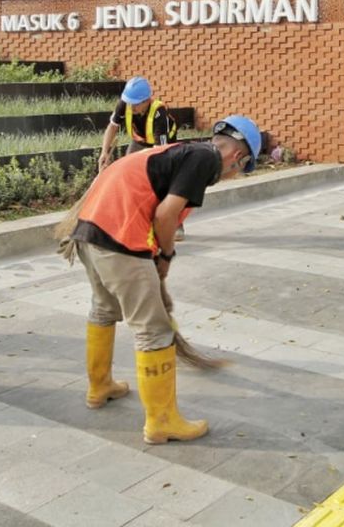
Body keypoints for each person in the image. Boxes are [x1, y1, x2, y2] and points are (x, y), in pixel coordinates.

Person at [69, 116, 260, 444]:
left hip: (89, 231)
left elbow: (150, 202)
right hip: (118, 238)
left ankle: (99, 387)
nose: (232, 176)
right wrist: (166, 257)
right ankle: (162, 421)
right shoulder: (204, 159)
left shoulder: (182, 152)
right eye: (241, 170)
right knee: (154, 330)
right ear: (238, 158)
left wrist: (156, 256)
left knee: (103, 310)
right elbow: (165, 214)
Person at [98, 76, 178, 172]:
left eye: (135, 104)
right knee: (127, 168)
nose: (131, 107)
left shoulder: (159, 113)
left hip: (164, 143)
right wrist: (104, 152)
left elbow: (159, 150)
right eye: (130, 103)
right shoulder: (124, 104)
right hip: (140, 140)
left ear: (147, 101)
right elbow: (112, 126)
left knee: (157, 170)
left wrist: (140, 157)